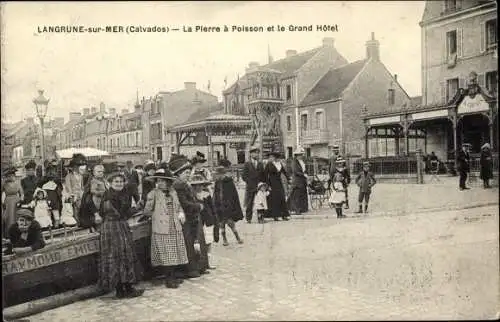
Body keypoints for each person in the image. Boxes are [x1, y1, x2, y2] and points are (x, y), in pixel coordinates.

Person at [99, 172, 144, 299]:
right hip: (115, 227)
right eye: (116, 182)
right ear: (110, 183)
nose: (119, 184)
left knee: (119, 256)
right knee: (121, 255)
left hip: (113, 226)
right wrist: (138, 207)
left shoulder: (117, 194)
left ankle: (124, 289)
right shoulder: (110, 196)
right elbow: (122, 213)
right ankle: (123, 289)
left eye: (121, 181)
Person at [142, 168, 188, 289]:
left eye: (162, 181)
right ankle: (169, 278)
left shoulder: (173, 192)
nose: (160, 183)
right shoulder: (153, 193)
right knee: (166, 253)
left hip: (174, 225)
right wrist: (156, 216)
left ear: (168, 182)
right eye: (158, 181)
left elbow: (178, 207)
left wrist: (181, 213)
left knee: (174, 252)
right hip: (162, 227)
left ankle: (173, 275)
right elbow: (147, 211)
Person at [169, 154, 206, 279]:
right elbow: (183, 203)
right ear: (178, 174)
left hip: (191, 217)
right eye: (185, 172)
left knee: (195, 241)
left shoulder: (184, 184)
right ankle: (190, 269)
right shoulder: (178, 185)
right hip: (185, 218)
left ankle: (198, 267)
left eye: (188, 172)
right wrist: (197, 206)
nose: (188, 174)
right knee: (188, 243)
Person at [213, 159, 244, 245]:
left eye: (221, 174)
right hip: (219, 205)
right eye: (218, 175)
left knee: (230, 223)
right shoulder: (217, 182)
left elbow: (233, 195)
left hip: (228, 205)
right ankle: (224, 239)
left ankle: (237, 237)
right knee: (221, 224)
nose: (219, 176)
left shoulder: (229, 181)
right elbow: (215, 194)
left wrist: (232, 204)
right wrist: (215, 203)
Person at [189, 174, 216, 269]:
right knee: (199, 241)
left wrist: (214, 218)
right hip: (197, 221)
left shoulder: (206, 195)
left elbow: (212, 208)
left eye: (200, 185)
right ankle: (201, 262)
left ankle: (208, 261)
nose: (198, 187)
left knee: (208, 241)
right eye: (195, 185)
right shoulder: (191, 196)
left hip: (207, 220)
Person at [264, 151, 290, 221]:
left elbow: (284, 172)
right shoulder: (268, 164)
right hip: (271, 183)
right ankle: (275, 215)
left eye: (272, 157)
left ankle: (284, 215)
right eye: (270, 157)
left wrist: (289, 179)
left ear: (275, 158)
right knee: (274, 200)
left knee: (282, 197)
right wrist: (267, 185)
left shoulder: (279, 164)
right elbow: (265, 175)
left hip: (279, 183)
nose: (270, 158)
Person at [242, 146, 265, 223]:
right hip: (250, 186)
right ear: (251, 154)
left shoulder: (260, 164)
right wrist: (249, 182)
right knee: (249, 203)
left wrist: (262, 185)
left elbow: (263, 175)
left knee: (260, 202)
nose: (256, 154)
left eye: (257, 153)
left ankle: (260, 217)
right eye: (255, 153)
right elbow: (244, 176)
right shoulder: (247, 164)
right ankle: (248, 218)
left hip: (259, 186)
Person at [38, 161, 63, 228]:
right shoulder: (56, 184)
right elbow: (59, 194)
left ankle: (50, 226)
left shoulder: (44, 185)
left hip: (47, 202)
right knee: (56, 215)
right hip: (55, 202)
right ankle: (55, 226)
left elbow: (43, 194)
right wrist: (60, 199)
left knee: (48, 215)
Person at [64, 154, 88, 225]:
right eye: (76, 166)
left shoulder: (81, 176)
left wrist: (82, 192)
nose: (77, 168)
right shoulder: (68, 176)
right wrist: (72, 195)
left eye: (78, 166)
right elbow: (68, 187)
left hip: (80, 194)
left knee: (82, 208)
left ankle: (82, 222)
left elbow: (81, 186)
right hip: (73, 195)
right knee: (75, 209)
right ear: (73, 167)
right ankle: (77, 223)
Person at [2, 167, 22, 237]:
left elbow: (22, 193)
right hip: (8, 201)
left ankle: (17, 233)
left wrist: (21, 200)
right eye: (9, 176)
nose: (11, 177)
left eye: (13, 175)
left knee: (16, 217)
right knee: (8, 218)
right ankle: (8, 234)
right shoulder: (4, 184)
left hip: (16, 201)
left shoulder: (17, 183)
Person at [288, 146, 309, 215]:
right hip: (297, 181)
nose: (301, 156)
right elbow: (295, 171)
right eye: (300, 155)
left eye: (302, 154)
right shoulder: (294, 162)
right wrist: (303, 174)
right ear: (296, 155)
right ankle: (296, 209)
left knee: (301, 195)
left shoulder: (302, 161)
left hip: (302, 181)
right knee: (296, 196)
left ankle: (302, 208)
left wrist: (305, 174)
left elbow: (304, 169)